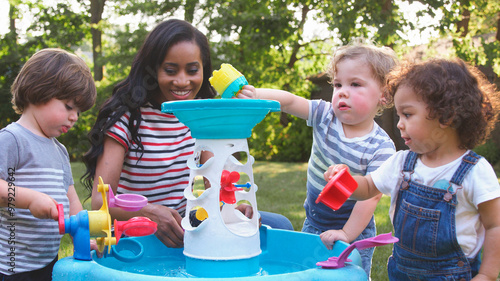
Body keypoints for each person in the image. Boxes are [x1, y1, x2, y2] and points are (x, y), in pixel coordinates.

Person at [82, 19, 292, 249]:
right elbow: (99, 202)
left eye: (192, 70)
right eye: (170, 70)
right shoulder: (127, 118)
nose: (182, 81)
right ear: (152, 69)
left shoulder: (201, 116)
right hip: (135, 231)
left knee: (279, 224)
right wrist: (151, 214)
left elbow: (217, 188)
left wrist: (231, 209)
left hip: (182, 227)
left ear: (204, 70)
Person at [324, 58, 500, 280]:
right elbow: (368, 186)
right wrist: (345, 180)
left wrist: (487, 274)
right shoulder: (402, 163)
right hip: (403, 272)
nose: (399, 123)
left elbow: (495, 225)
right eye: (398, 115)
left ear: (445, 117)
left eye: (407, 114)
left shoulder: (475, 172)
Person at [238, 40, 398, 277]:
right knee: (308, 273)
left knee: (345, 275)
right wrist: (257, 95)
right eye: (338, 84)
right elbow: (291, 101)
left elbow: (370, 198)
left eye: (355, 84)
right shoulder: (325, 115)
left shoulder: (381, 146)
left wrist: (346, 234)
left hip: (354, 231)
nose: (342, 91)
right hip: (314, 221)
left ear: (383, 95)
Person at [0, 48, 97, 280]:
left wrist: (81, 235)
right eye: (68, 106)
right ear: (38, 92)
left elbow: (71, 199)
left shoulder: (59, 150)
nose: (75, 117)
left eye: (79, 111)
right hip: (13, 265)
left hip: (47, 259)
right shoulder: (12, 139)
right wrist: (30, 199)